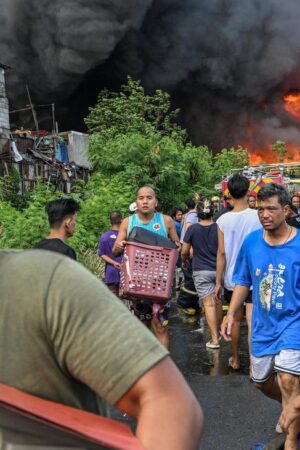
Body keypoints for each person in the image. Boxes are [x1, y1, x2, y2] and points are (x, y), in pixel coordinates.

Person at [0, 249, 203, 450]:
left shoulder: (42, 283)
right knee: (153, 325)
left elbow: (168, 401)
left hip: (139, 289)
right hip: (135, 287)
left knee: (156, 326)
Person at [221, 183, 300, 450]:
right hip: (263, 325)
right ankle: (292, 406)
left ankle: (290, 440)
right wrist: (231, 314)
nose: (264, 214)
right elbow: (242, 280)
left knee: (288, 378)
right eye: (260, 209)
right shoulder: (252, 242)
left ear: (286, 210)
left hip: (293, 322)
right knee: (261, 382)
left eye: (271, 209)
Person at [113, 186, 178, 347]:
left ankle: (163, 370)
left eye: (149, 198)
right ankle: (143, 369)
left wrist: (177, 246)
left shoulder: (166, 221)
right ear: (136, 202)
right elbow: (115, 250)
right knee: (141, 328)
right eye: (141, 198)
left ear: (155, 201)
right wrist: (120, 245)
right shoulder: (128, 222)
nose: (145, 201)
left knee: (161, 327)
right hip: (137, 285)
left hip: (160, 285)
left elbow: (176, 245)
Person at [215, 174, 261, 370]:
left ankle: (235, 359)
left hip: (232, 278)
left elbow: (222, 252)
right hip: (255, 276)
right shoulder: (258, 216)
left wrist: (218, 281)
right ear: (249, 191)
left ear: (229, 194)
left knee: (233, 318)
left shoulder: (223, 220)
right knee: (252, 321)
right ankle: (254, 365)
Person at [182, 200, 222, 349]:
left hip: (201, 270)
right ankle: (217, 332)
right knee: (217, 302)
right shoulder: (219, 228)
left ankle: (214, 340)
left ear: (197, 213)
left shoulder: (192, 229)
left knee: (208, 304)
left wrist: (184, 261)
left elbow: (185, 251)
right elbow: (223, 250)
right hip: (218, 270)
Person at [98, 211, 122, 296]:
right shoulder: (125, 236)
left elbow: (101, 254)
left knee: (113, 299)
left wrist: (114, 263)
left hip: (111, 273)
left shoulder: (104, 236)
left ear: (110, 221)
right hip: (125, 273)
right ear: (121, 221)